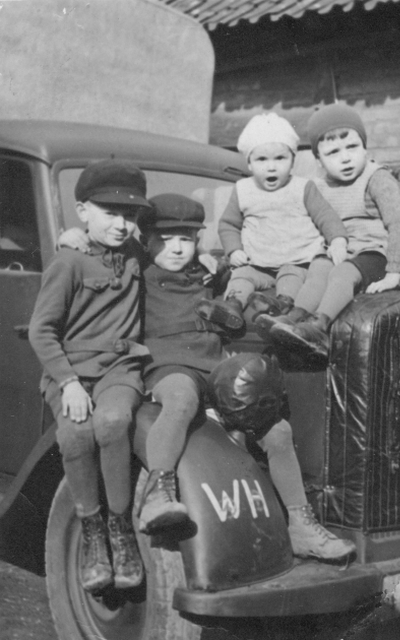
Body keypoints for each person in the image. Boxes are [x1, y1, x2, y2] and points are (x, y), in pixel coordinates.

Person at [133, 194, 355, 563]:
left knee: (277, 429)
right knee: (181, 400)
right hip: (168, 366)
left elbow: (257, 270)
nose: (177, 248)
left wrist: (220, 263)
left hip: (215, 367)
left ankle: (301, 525)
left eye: (186, 239)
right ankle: (158, 494)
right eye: (164, 239)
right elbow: (106, 251)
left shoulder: (209, 274)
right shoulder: (136, 271)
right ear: (145, 241)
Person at [28, 160, 151, 593]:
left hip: (120, 367)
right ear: (82, 211)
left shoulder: (135, 253)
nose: (121, 224)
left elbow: (173, 253)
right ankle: (93, 531)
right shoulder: (68, 262)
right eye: (110, 213)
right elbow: (42, 330)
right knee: (76, 434)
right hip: (71, 373)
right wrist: (68, 383)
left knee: (114, 421)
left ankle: (120, 527)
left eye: (130, 215)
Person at [257, 103, 400, 358]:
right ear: (318, 160)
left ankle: (320, 325)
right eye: (333, 152)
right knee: (318, 270)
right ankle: (295, 317)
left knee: (342, 273)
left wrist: (394, 273)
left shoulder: (377, 178)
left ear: (365, 147)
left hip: (374, 254)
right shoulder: (318, 186)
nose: (345, 157)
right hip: (338, 251)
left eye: (352, 147)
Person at [195, 112, 348, 331]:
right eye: (262, 159)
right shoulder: (243, 189)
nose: (271, 167)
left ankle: (281, 303)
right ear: (249, 163)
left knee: (291, 276)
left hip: (297, 259)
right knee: (241, 275)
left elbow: (326, 216)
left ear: (292, 161)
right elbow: (229, 224)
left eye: (280, 158)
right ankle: (233, 305)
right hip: (257, 261)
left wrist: (338, 240)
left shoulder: (302, 188)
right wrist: (234, 249)